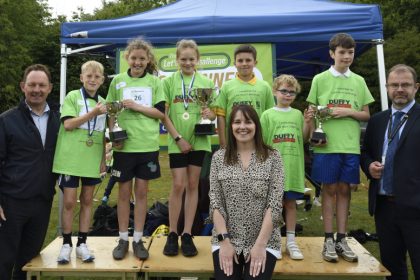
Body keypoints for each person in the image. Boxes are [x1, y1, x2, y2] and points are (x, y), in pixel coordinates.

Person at [306, 33, 374, 263]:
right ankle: (328, 239)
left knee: (345, 191)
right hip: (327, 146)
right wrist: (313, 126)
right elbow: (313, 111)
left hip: (350, 146)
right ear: (332, 53)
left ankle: (341, 238)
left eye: (350, 52)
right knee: (329, 190)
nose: (346, 56)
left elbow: (366, 114)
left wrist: (348, 112)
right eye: (342, 52)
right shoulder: (320, 80)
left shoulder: (359, 81)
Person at [106, 38, 165, 261]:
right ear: (126, 58)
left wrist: (137, 106)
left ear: (148, 59)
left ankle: (138, 239)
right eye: (134, 58)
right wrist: (114, 136)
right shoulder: (118, 82)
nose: (138, 62)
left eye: (142, 58)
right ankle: (123, 238)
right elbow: (111, 112)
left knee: (141, 193)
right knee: (123, 194)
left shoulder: (154, 82)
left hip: (147, 145)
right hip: (124, 147)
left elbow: (160, 113)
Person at [209, 105, 284, 279]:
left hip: (264, 240)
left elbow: (274, 204)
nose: (242, 126)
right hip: (226, 238)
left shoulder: (273, 157)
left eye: (248, 122)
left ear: (256, 125)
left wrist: (260, 245)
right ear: (231, 127)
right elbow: (215, 203)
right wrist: (225, 242)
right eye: (237, 122)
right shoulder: (219, 158)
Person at [0, 64, 60, 279]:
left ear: (50, 88)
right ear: (23, 86)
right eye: (32, 84)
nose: (37, 89)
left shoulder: (58, 121)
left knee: (29, 263)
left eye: (42, 85)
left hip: (42, 202)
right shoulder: (7, 120)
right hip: (11, 203)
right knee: (4, 260)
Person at [361, 64, 420, 280]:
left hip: (416, 207)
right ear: (387, 88)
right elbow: (366, 152)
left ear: (416, 88)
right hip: (385, 207)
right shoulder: (377, 120)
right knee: (392, 268)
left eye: (406, 85)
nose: (400, 89)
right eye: (395, 85)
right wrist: (368, 166)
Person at [162, 39, 216, 257]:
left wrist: (209, 114)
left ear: (197, 60)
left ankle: (187, 234)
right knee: (178, 185)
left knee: (194, 184)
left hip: (200, 141)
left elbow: (212, 112)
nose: (187, 62)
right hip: (178, 141)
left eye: (191, 59)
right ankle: (172, 233)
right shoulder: (168, 82)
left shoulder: (205, 81)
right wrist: (178, 138)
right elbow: (163, 114)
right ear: (177, 60)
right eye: (183, 59)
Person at [53, 60, 107, 264]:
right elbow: (68, 124)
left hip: (92, 159)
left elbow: (102, 134)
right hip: (70, 159)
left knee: (86, 201)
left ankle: (82, 243)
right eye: (89, 76)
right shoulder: (73, 97)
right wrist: (93, 113)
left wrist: (103, 159)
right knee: (68, 202)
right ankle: (66, 244)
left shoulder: (103, 101)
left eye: (97, 76)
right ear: (82, 78)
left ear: (102, 80)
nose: (92, 79)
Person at [260, 74, 313, 260]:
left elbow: (304, 138)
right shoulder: (267, 115)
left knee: (290, 205)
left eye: (292, 92)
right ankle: (273, 240)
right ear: (275, 91)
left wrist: (308, 123)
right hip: (273, 169)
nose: (287, 95)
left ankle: (291, 241)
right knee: (272, 206)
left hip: (292, 168)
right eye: (284, 91)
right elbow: (262, 144)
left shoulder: (298, 114)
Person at [213, 44, 275, 148]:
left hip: (259, 142)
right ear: (235, 64)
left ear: (255, 63)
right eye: (240, 61)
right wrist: (223, 143)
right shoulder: (226, 86)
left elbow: (270, 117)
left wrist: (267, 142)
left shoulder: (265, 86)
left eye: (248, 60)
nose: (244, 64)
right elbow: (221, 116)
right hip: (233, 143)